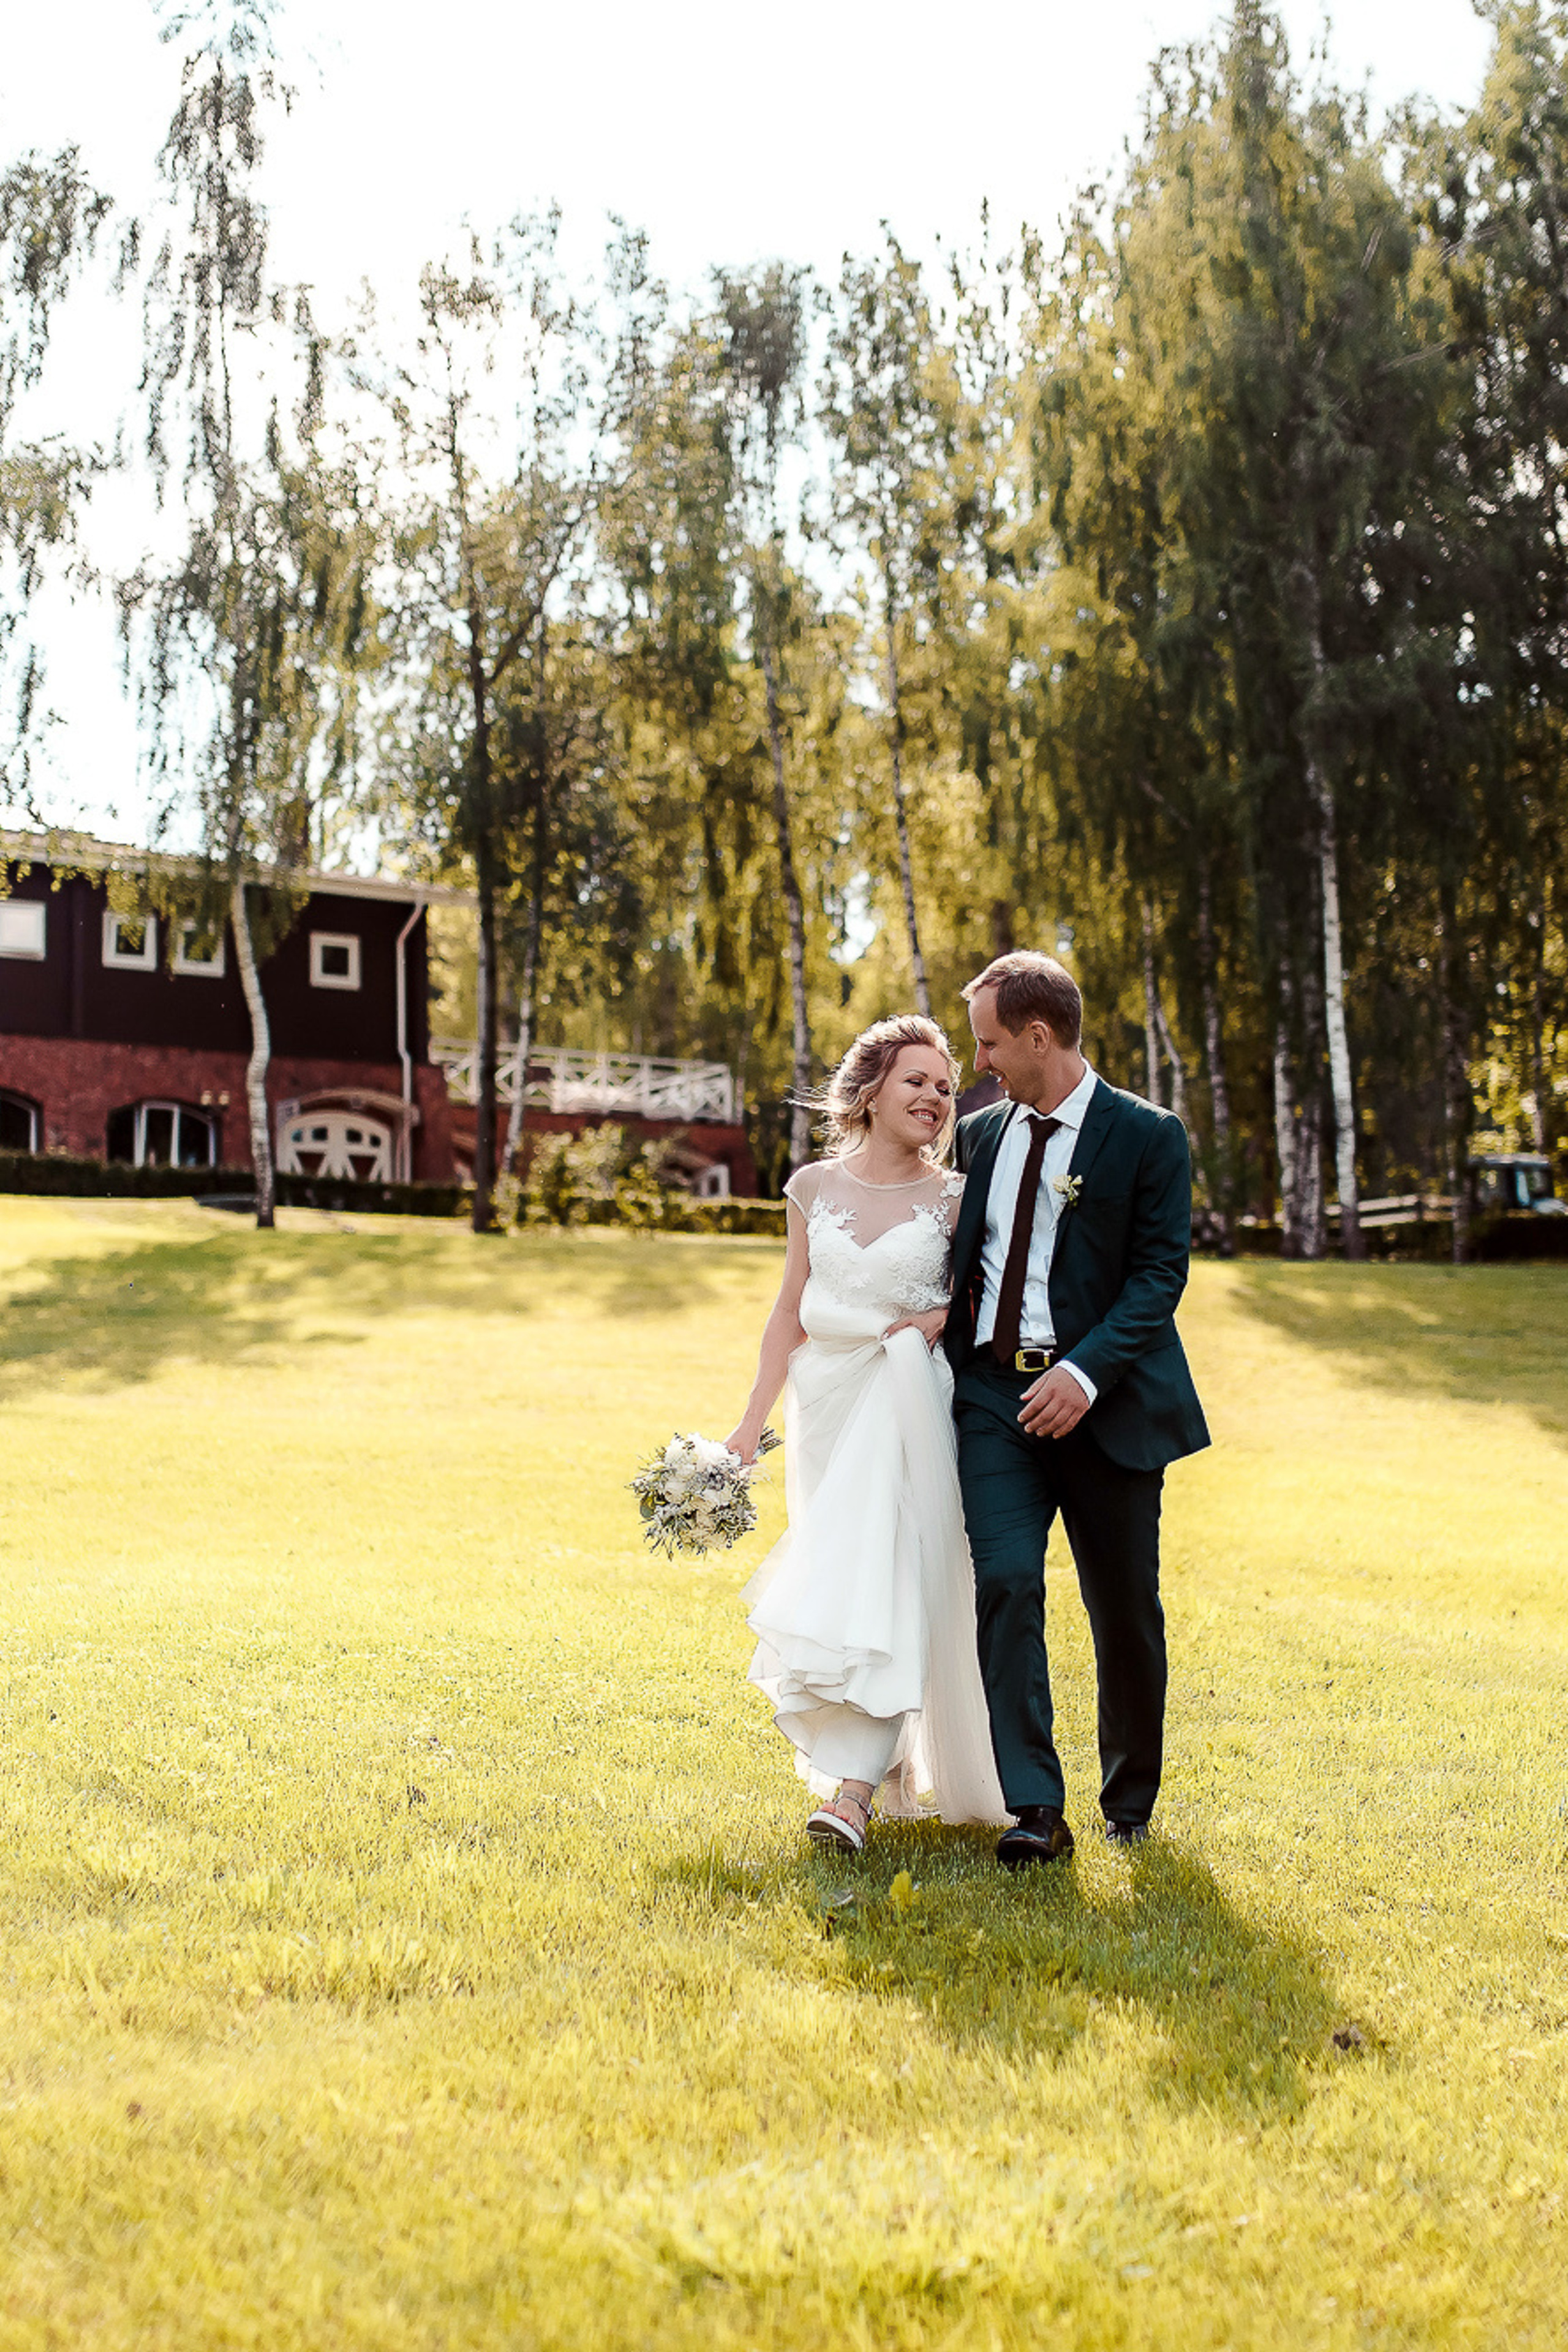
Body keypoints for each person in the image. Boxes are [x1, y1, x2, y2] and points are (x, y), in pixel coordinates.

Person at [942, 951, 1210, 1869]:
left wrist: (1085, 1374)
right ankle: (1035, 1808)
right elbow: (960, 1261)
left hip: (1108, 1408)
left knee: (1124, 1608)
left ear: (1037, 1036)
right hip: (991, 1402)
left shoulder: (1148, 1136)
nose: (979, 1062)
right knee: (1007, 1582)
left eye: (987, 1043)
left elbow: (1158, 1277)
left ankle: (1128, 1805)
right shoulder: (981, 1137)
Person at [726, 1016, 1008, 1853]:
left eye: (947, 1086)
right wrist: (749, 1424)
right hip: (827, 1404)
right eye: (916, 1080)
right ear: (872, 1090)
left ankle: (850, 1793)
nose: (934, 1096)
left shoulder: (956, 1197)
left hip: (908, 1397)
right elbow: (787, 1314)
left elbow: (982, 1301)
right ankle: (884, 1771)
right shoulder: (812, 1188)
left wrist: (939, 1314)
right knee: (847, 1579)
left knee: (888, 1571)